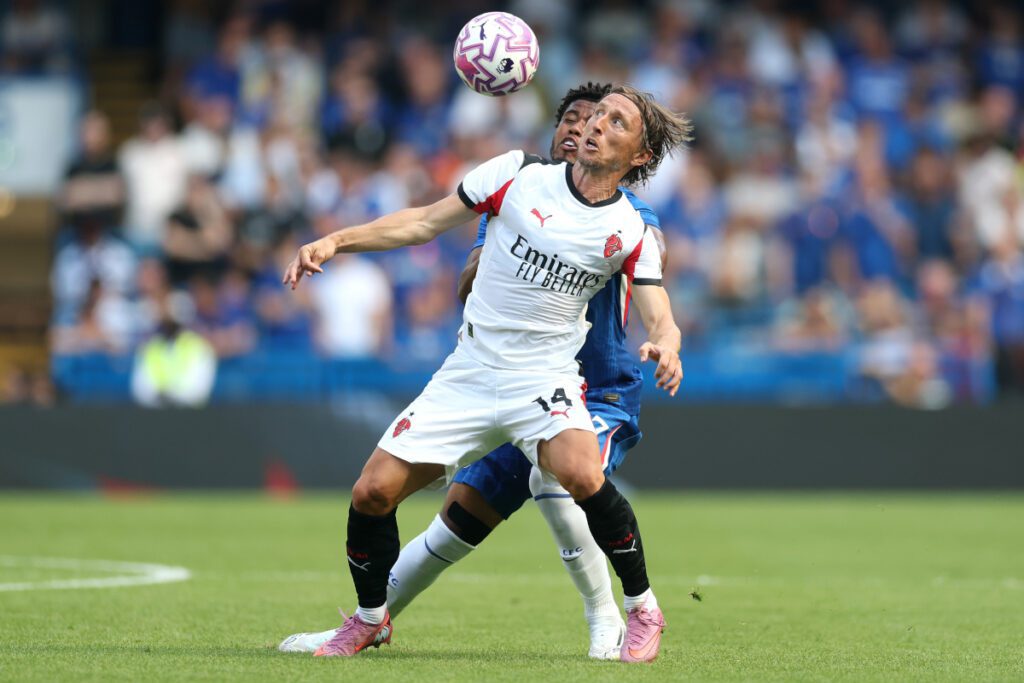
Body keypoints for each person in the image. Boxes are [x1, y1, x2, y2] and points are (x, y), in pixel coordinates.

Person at [282, 84, 691, 663]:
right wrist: (335, 240)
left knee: (569, 473)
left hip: (547, 379)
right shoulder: (517, 176)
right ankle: (370, 619)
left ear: (639, 156)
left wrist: (666, 344)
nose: (593, 126)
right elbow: (424, 222)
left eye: (613, 121)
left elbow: (659, 309)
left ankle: (637, 611)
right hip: (471, 372)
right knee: (374, 493)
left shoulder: (630, 229)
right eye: (590, 115)